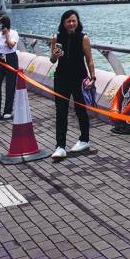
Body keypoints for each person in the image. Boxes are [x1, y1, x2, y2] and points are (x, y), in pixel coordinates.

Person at [49, 10, 96, 158]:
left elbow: (89, 59)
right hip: (61, 78)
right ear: (63, 23)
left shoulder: (84, 38)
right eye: (68, 21)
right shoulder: (56, 38)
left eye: (73, 21)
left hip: (79, 78)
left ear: (78, 22)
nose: (71, 23)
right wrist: (54, 55)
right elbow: (52, 60)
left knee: (80, 110)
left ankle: (84, 140)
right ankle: (60, 146)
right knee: (61, 111)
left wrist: (93, 77)